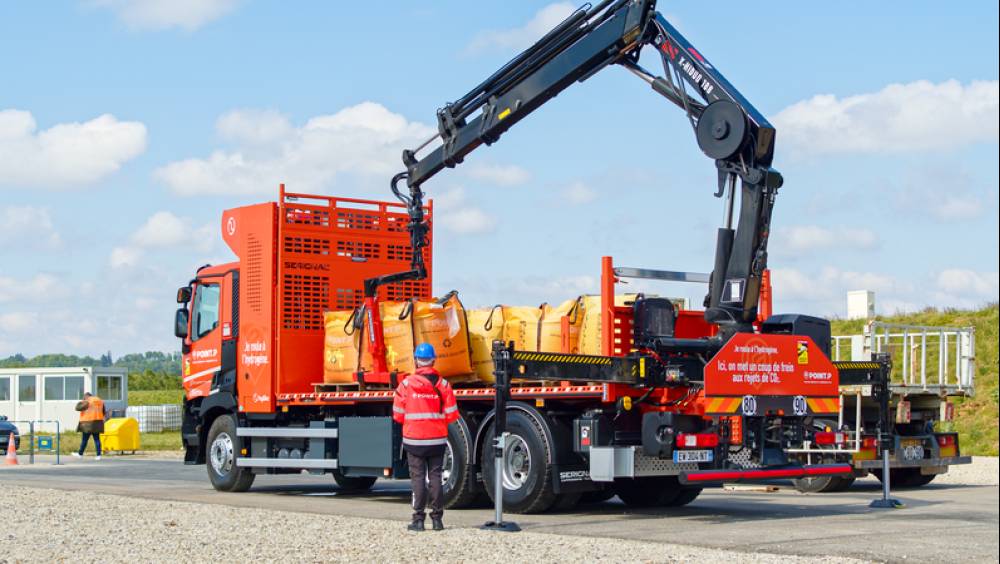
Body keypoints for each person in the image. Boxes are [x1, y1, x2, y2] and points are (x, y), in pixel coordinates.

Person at [392, 343, 459, 532]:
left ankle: (418, 520)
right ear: (434, 360)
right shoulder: (444, 385)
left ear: (416, 360)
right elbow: (452, 414)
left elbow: (397, 414)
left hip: (414, 440)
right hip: (436, 439)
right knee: (435, 477)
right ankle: (437, 520)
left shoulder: (406, 385)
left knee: (418, 478)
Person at [73, 392, 107, 460]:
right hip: (97, 422)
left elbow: (78, 408)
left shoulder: (87, 401)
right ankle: (98, 455)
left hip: (87, 423)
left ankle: (80, 454)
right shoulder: (100, 401)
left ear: (86, 396)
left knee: (84, 440)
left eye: (84, 397)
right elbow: (103, 412)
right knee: (97, 439)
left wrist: (82, 401)